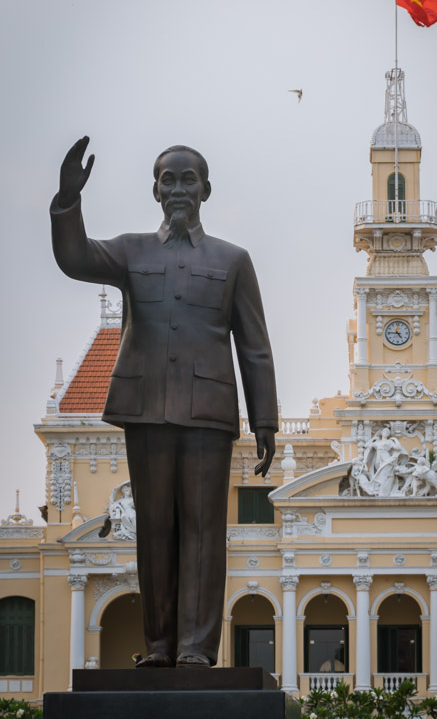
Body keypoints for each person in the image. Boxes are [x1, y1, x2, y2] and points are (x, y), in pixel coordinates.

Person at [50, 137, 278, 667]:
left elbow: (255, 345)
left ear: (206, 189)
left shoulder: (233, 260)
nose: (178, 188)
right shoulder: (131, 251)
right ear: (155, 190)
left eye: (187, 179)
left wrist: (264, 418)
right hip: (145, 406)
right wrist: (66, 202)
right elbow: (75, 257)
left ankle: (197, 649)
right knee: (153, 528)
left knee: (203, 530)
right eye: (167, 180)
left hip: (208, 413)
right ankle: (158, 647)